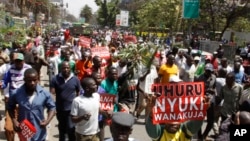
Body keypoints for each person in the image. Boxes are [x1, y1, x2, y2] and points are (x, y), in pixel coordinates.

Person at [8, 68, 56, 141]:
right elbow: (10, 107)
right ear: (24, 79)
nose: (32, 83)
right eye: (29, 80)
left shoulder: (44, 93)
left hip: (39, 132)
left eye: (34, 80)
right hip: (24, 132)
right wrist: (14, 121)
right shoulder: (16, 93)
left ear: (38, 79)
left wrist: (47, 121)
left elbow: (52, 108)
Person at [50, 61, 81, 141]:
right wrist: (52, 107)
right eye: (64, 68)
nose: (66, 69)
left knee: (71, 129)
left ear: (70, 69)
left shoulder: (75, 79)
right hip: (60, 109)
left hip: (71, 110)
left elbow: (79, 92)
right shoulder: (55, 79)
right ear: (61, 69)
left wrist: (78, 105)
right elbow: (52, 94)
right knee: (62, 130)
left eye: (67, 68)